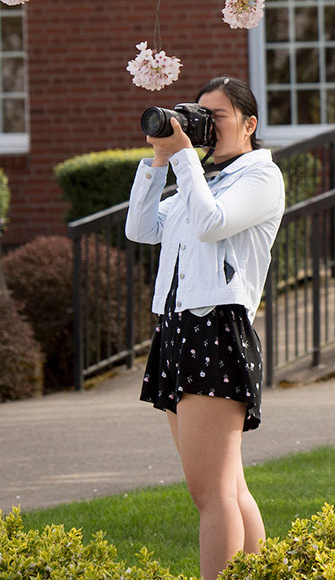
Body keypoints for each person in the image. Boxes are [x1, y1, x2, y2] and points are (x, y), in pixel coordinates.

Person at [125, 76, 284, 580]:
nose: (205, 125)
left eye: (217, 116)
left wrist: (186, 158)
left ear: (249, 124)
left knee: (209, 493)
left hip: (215, 329)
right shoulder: (205, 180)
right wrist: (159, 159)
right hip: (176, 330)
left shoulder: (260, 179)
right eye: (200, 114)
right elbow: (141, 229)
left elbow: (212, 224)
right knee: (228, 487)